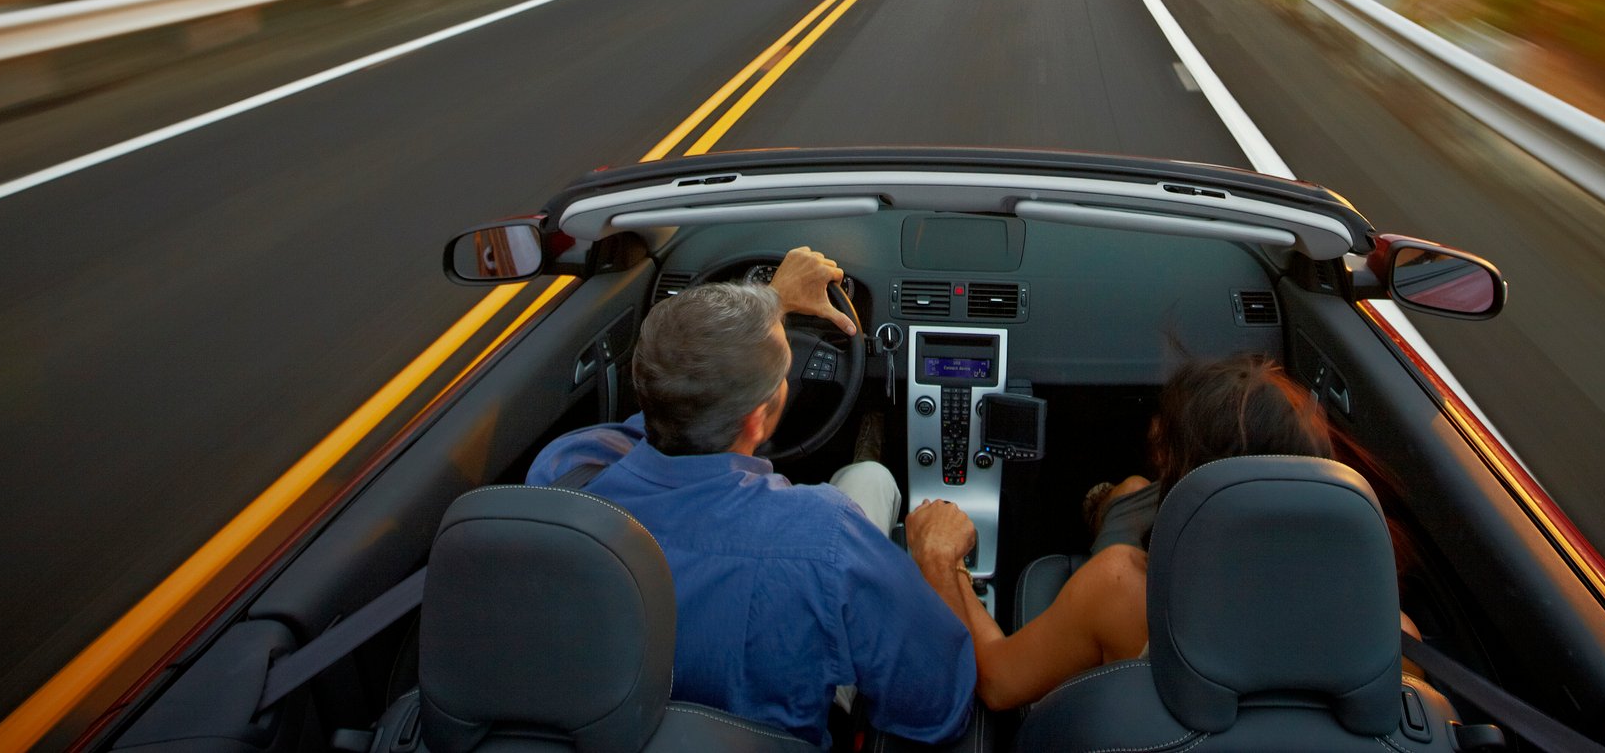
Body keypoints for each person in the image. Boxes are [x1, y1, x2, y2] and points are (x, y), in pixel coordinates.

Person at [528, 246, 975, 747]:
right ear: (757, 419)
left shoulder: (565, 473)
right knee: (871, 478)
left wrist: (771, 301)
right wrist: (939, 565)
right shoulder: (824, 536)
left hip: (619, 721)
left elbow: (668, 416)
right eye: (784, 372)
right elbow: (939, 708)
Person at [904, 353, 1347, 711]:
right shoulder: (1381, 626)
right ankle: (1109, 501)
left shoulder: (1120, 588)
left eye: (1171, 458)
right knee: (1131, 491)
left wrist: (941, 561)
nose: (1155, 433)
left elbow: (997, 684)